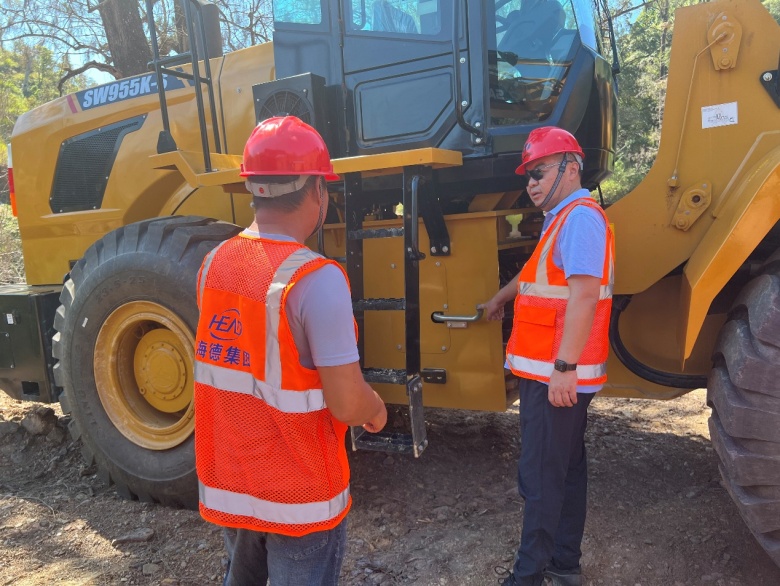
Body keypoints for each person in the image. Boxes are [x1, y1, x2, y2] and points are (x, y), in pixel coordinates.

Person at [193, 116, 388, 586]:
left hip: (235, 485)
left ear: (253, 188)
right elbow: (347, 403)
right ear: (318, 190)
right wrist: (376, 408)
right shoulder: (316, 279)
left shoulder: (212, 265)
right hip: (300, 495)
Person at [481, 127, 614, 586]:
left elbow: (584, 296)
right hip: (554, 372)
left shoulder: (579, 220)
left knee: (540, 477)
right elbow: (534, 274)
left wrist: (564, 369)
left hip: (554, 374)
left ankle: (527, 577)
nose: (531, 183)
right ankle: (563, 563)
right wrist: (500, 299)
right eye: (528, 176)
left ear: (571, 168)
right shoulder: (563, 218)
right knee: (566, 467)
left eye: (539, 172)